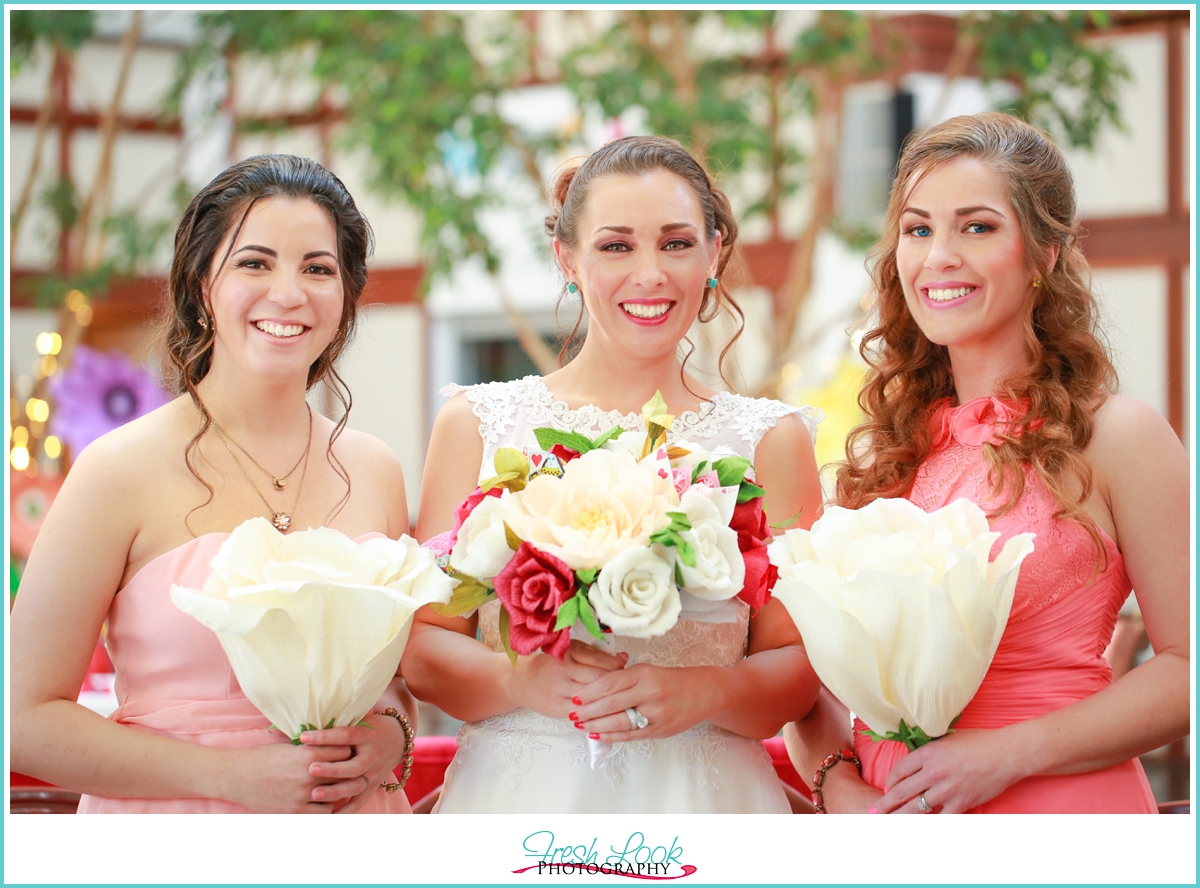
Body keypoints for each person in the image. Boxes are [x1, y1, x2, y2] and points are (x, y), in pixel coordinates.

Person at [402, 135, 824, 813]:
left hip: (705, 806)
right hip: (521, 806)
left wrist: (707, 693)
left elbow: (801, 670)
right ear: (566, 258)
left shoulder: (770, 440)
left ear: (714, 254)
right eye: (616, 245)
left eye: (677, 243)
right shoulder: (477, 425)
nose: (650, 274)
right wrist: (521, 683)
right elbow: (424, 650)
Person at [785, 112, 1189, 814]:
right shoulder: (886, 455)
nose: (939, 255)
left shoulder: (1119, 436)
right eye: (918, 229)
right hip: (894, 835)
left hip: (1060, 819)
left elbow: (1188, 669)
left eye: (977, 227)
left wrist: (1006, 755)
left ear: (1045, 253)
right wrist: (842, 791)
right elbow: (811, 679)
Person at [11, 154, 415, 813]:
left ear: (345, 296)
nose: (288, 292)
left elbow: (391, 688)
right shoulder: (118, 469)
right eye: (254, 263)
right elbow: (21, 718)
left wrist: (390, 737)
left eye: (318, 268)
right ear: (201, 285)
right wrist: (227, 777)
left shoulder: (376, 469)